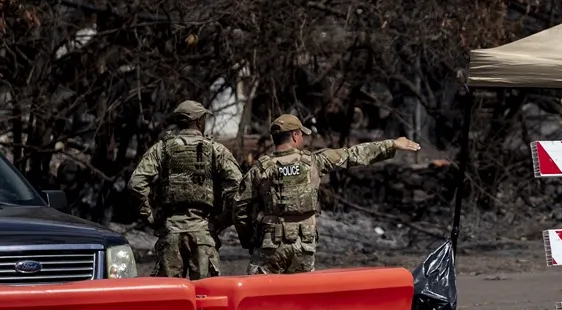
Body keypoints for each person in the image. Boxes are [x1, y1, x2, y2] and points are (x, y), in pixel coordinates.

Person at [233, 113, 420, 274]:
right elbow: (353, 154)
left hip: (270, 244)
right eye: (302, 135)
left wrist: (249, 239)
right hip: (304, 244)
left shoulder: (261, 168)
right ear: (295, 135)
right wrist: (392, 144)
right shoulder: (314, 161)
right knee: (301, 298)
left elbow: (240, 206)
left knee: (259, 296)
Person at [128, 100, 243, 279]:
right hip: (203, 233)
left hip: (171, 232)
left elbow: (136, 183)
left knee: (170, 298)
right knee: (206, 296)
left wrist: (149, 216)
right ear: (198, 122)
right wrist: (223, 219)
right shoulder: (215, 149)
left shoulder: (162, 149)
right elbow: (238, 188)